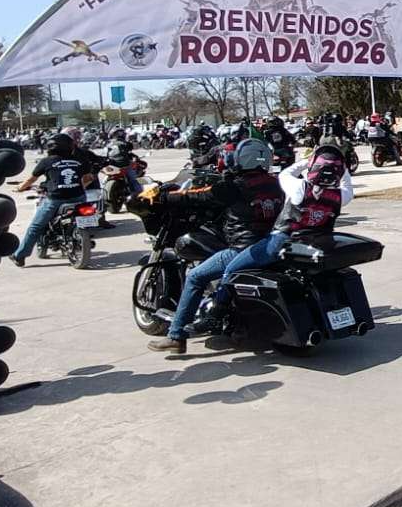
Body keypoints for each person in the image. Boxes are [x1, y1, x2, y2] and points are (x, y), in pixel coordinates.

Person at [148, 138, 285, 355]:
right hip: (268, 244)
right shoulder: (275, 183)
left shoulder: (236, 186)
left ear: (242, 159)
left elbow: (200, 195)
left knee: (195, 277)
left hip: (242, 246)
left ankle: (176, 336)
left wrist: (165, 197)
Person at [203, 144, 358, 321]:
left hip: (281, 243)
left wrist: (305, 161)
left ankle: (217, 312)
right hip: (313, 244)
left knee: (231, 269)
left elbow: (286, 173)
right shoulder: (341, 196)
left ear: (314, 166)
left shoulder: (299, 188)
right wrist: (339, 166)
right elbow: (346, 182)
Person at [10, 134, 92, 265]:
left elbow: (31, 180)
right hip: (79, 197)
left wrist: (20, 188)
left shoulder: (47, 161)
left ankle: (19, 256)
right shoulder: (80, 160)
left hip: (55, 199)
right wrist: (77, 186)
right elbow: (88, 178)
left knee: (36, 227)